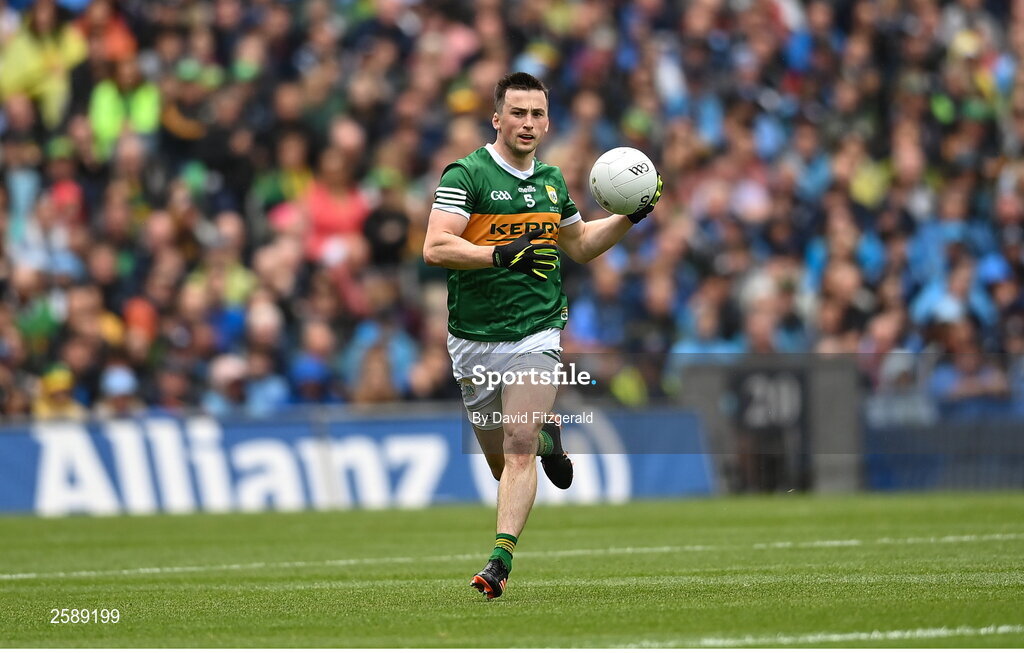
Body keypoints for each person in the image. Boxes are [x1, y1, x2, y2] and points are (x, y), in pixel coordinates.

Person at [422, 72, 662, 599]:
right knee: (499, 460)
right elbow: (435, 247)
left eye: (537, 114)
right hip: (473, 338)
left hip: (537, 331)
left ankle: (499, 560)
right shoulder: (467, 175)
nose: (528, 123)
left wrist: (628, 217)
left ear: (548, 121)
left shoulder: (552, 181)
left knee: (518, 446)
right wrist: (498, 254)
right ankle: (549, 435)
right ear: (497, 118)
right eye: (518, 113)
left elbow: (577, 245)